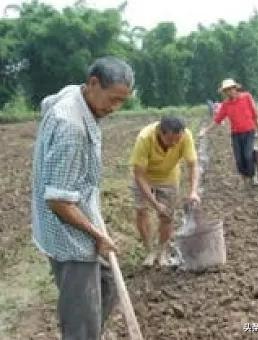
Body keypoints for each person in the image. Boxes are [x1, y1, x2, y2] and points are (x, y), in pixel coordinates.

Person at [32, 56, 134, 339]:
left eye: (122, 102)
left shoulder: (70, 94)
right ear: (93, 83)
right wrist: (97, 235)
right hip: (70, 238)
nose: (115, 108)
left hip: (79, 219)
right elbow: (58, 201)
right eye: (112, 100)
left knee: (108, 283)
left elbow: (46, 103)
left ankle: (93, 331)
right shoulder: (73, 128)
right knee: (81, 316)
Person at [130, 116, 200, 266]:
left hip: (168, 177)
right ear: (160, 133)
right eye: (170, 140)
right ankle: (149, 250)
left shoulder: (185, 136)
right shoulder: (145, 138)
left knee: (167, 216)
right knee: (142, 211)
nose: (175, 143)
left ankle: (162, 251)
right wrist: (154, 203)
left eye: (177, 140)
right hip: (144, 177)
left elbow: (193, 165)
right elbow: (139, 175)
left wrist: (193, 191)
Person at [199, 78, 258, 188]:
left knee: (248, 155)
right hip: (236, 134)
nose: (229, 92)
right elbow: (218, 119)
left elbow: (255, 114)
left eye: (230, 89)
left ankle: (253, 177)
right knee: (239, 159)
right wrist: (205, 130)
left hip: (249, 131)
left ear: (235, 88)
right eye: (226, 90)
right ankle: (244, 179)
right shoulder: (226, 104)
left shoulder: (246, 97)